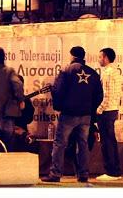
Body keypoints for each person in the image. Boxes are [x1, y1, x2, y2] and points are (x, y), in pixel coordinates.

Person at [42, 46, 103, 183]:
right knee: (83, 144)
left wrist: (59, 106)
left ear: (72, 56)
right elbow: (99, 95)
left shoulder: (66, 70)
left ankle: (55, 174)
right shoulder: (93, 73)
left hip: (69, 114)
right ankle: (83, 174)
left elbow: (58, 90)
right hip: (86, 115)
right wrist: (91, 109)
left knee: (60, 144)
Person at [95, 47, 122, 181]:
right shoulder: (114, 71)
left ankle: (111, 172)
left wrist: (98, 110)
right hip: (112, 109)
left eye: (100, 57)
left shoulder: (108, 73)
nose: (99, 59)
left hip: (106, 111)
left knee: (107, 142)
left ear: (106, 58)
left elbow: (107, 95)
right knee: (110, 140)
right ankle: (115, 170)